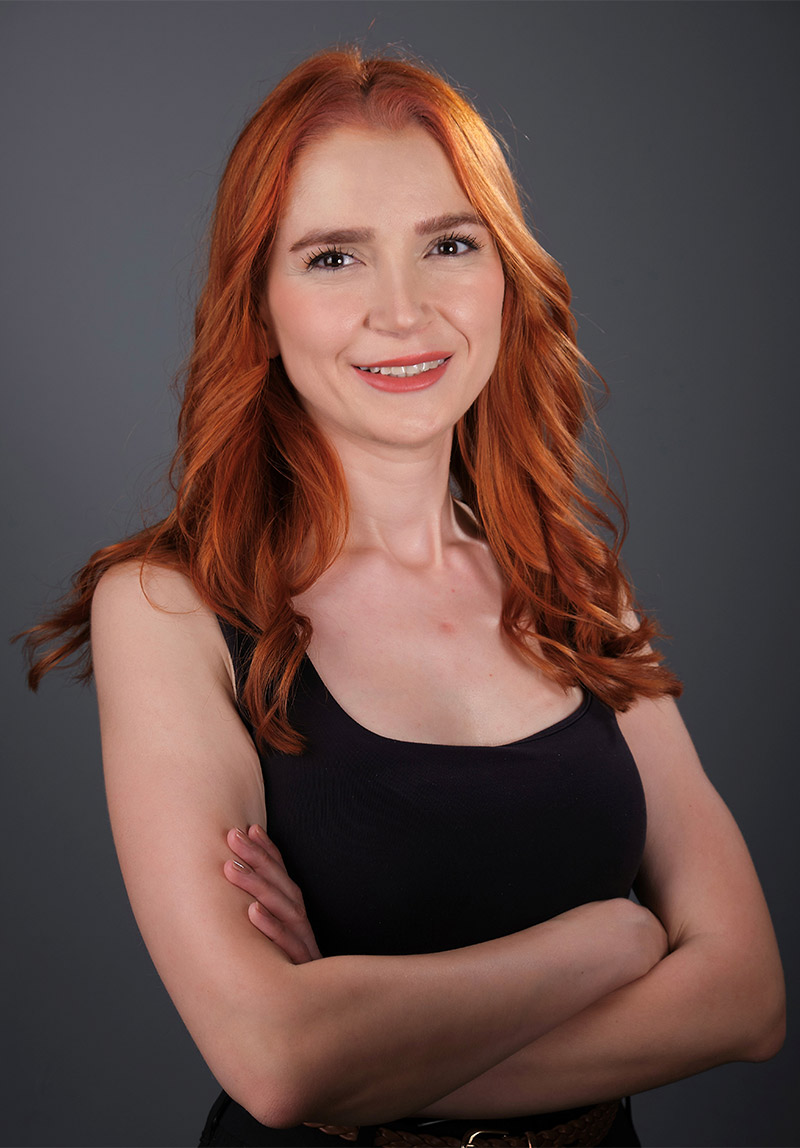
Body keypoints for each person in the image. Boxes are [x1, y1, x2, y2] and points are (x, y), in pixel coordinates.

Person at [21, 47, 784, 1148]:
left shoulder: (577, 587)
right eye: (333, 257)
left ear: (504, 274)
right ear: (258, 306)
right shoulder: (167, 608)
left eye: (449, 244)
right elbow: (273, 1059)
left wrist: (360, 1056)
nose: (403, 309)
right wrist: (606, 945)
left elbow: (746, 995)